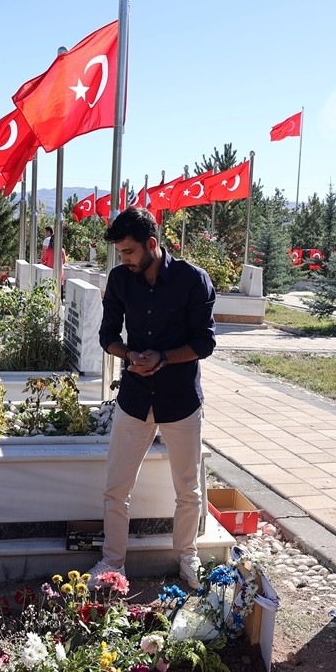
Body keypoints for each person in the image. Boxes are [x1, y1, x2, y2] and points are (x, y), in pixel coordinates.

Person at [92, 207, 216, 590]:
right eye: (119, 253)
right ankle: (113, 564)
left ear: (152, 244)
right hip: (134, 397)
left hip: (180, 399)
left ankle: (187, 558)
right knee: (116, 487)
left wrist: (162, 357)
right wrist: (130, 356)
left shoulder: (193, 280)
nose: (123, 260)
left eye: (128, 251)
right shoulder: (119, 280)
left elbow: (204, 342)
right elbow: (107, 335)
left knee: (188, 488)